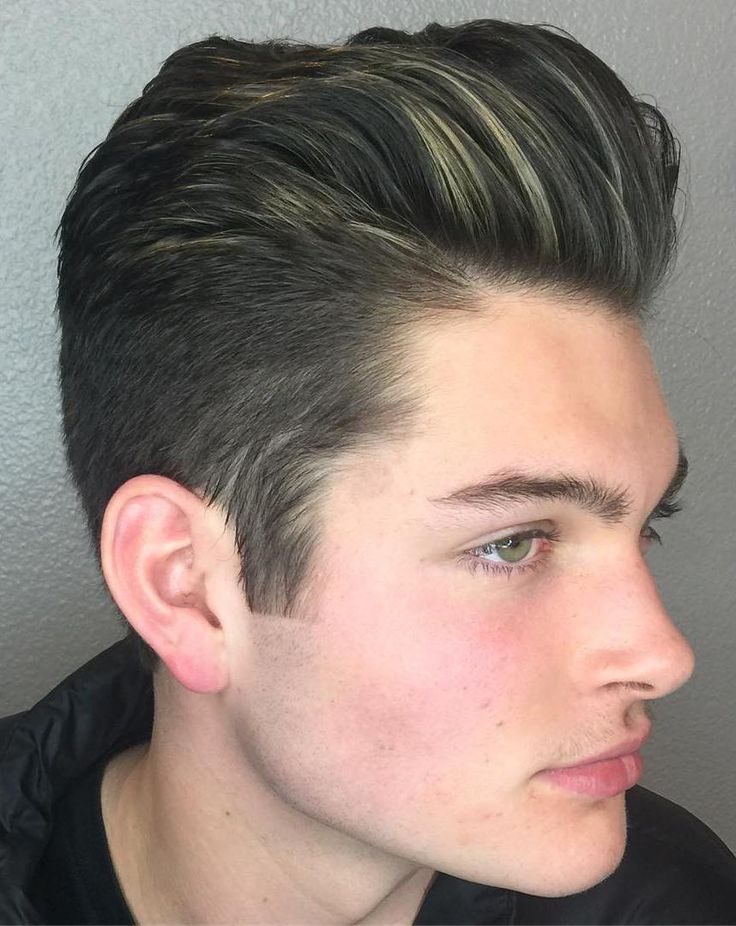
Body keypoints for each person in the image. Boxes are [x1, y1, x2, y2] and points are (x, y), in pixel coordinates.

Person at [2, 17, 736, 925]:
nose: (663, 656)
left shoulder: (672, 903)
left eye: (643, 525)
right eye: (513, 542)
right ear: (184, 584)